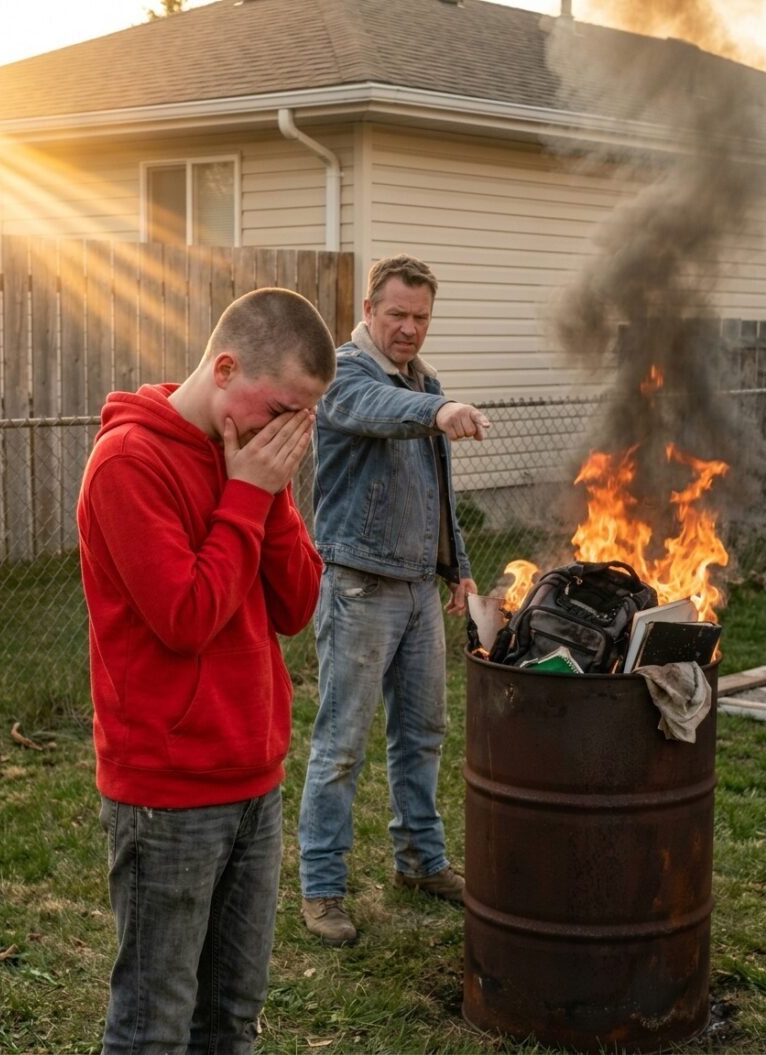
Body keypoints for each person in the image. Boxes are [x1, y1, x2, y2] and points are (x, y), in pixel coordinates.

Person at [77, 288, 336, 1054]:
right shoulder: (129, 462)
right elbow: (186, 616)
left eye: (304, 417)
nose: (289, 432)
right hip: (169, 795)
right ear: (225, 369)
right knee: (152, 1025)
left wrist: (269, 494)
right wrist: (248, 494)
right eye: (282, 409)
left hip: (254, 778)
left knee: (230, 1019)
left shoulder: (250, 460)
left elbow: (297, 603)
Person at [297, 254, 490, 946]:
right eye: (398, 314)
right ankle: (322, 887)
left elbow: (436, 491)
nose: (409, 327)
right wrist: (440, 410)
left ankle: (420, 861)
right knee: (341, 744)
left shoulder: (423, 382)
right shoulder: (345, 374)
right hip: (359, 586)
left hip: (415, 589)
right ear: (370, 310)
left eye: (421, 317)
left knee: (423, 733)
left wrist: (456, 569)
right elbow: (384, 414)